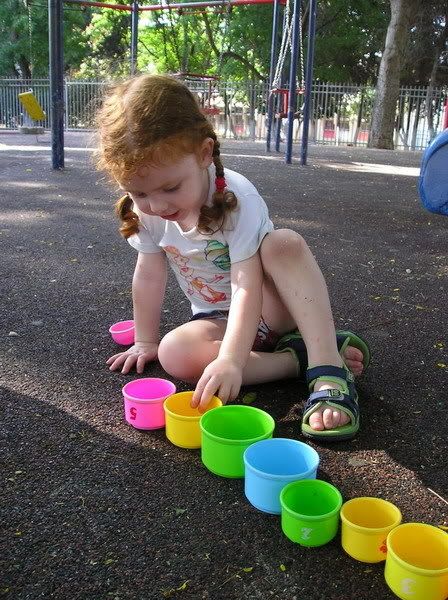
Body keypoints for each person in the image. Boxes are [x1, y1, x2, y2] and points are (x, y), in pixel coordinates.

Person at [96, 74, 370, 442]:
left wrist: (231, 359)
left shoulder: (236, 198)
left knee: (283, 243)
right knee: (173, 353)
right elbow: (148, 276)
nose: (157, 206)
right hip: (218, 320)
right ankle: (295, 360)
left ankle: (325, 366)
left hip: (272, 307)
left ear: (204, 153)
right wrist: (146, 340)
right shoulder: (147, 211)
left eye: (171, 188)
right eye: (139, 193)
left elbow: (246, 285)